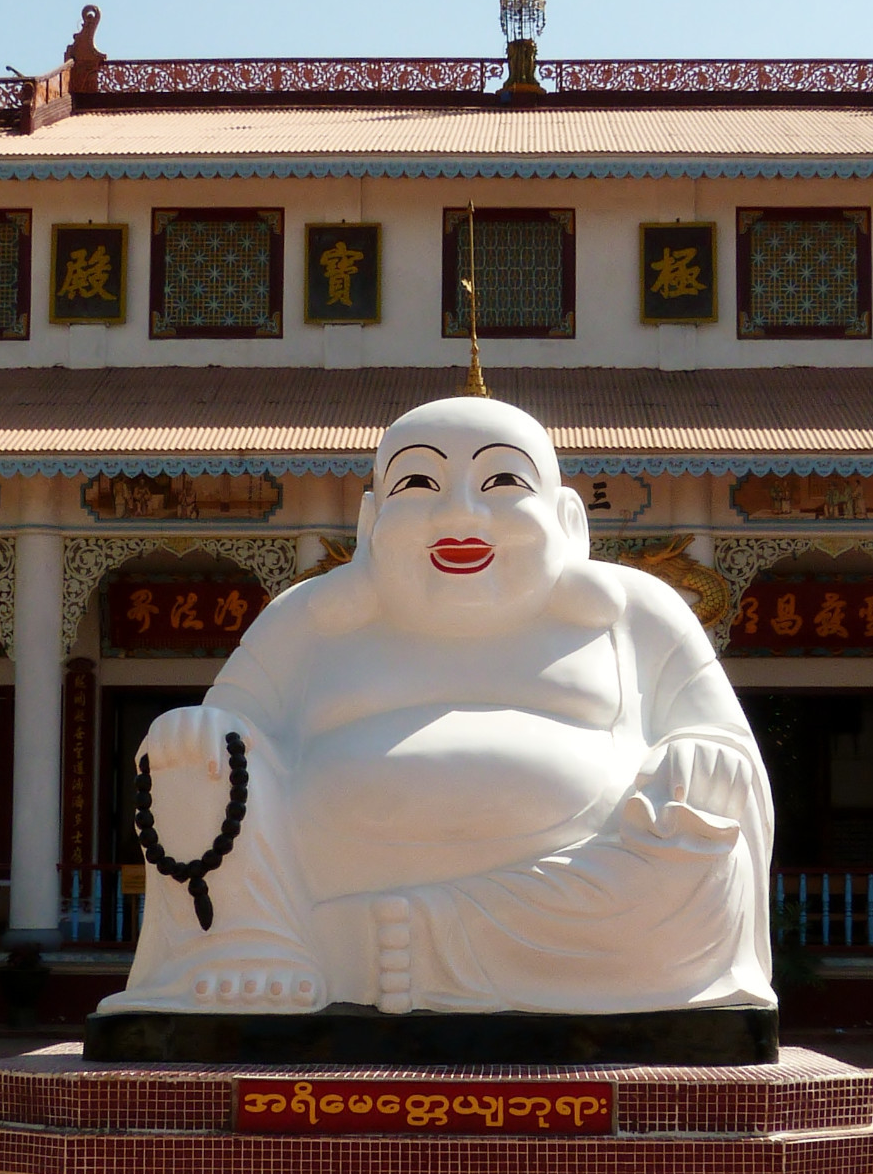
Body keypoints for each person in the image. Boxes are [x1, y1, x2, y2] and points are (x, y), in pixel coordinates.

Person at [108, 393, 776, 1017]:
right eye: (418, 484)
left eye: (502, 484)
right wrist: (199, 731)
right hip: (311, 881)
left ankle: (374, 942)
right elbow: (230, 730)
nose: (461, 515)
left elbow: (725, 748)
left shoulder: (633, 611)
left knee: (701, 854)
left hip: (593, 897)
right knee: (187, 751)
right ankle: (250, 945)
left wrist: (705, 758)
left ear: (568, 521)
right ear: (371, 523)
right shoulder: (309, 619)